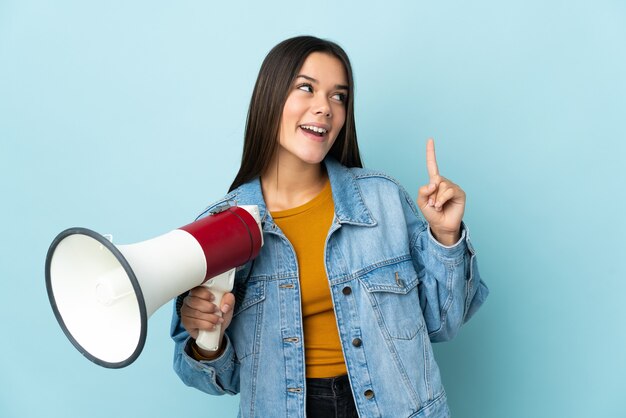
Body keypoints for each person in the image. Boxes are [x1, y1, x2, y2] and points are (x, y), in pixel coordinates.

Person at [170, 35, 488, 418]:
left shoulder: (383, 200)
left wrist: (445, 237)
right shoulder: (220, 228)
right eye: (306, 88)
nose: (325, 108)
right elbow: (217, 380)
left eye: (339, 96)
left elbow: (443, 322)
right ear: (270, 97)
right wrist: (207, 340)